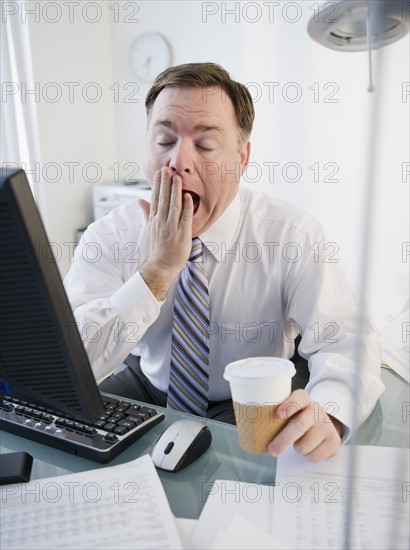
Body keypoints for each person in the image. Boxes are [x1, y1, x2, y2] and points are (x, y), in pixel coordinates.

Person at [64, 62, 384, 462]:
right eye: (164, 140)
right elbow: (69, 364)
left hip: (253, 402)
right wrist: (156, 272)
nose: (178, 162)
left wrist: (332, 410)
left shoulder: (291, 234)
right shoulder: (109, 236)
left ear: (242, 157)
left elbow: (348, 340)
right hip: (149, 390)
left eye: (205, 145)